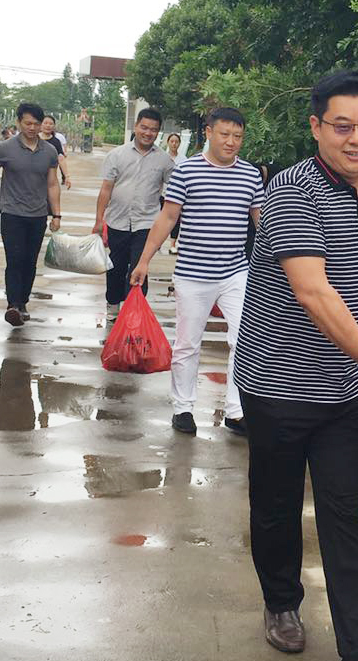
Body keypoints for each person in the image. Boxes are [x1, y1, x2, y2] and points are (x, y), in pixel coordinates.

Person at [231, 70, 358, 661]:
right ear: (316, 127)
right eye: (343, 126)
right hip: (278, 383)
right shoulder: (291, 191)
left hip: (343, 393)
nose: (356, 137)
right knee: (277, 504)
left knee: (346, 513)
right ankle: (282, 601)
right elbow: (313, 290)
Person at [129, 107, 263, 436]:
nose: (231, 142)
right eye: (225, 134)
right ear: (209, 133)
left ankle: (236, 411)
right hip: (192, 275)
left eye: (238, 136)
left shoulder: (250, 175)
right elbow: (167, 218)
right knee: (188, 344)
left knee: (244, 340)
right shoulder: (187, 172)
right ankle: (183, 408)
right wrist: (144, 261)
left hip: (235, 273)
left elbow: (262, 222)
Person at [0, 102, 62, 327]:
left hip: (38, 215)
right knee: (15, 259)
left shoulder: (49, 151)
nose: (32, 128)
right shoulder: (5, 148)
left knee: (30, 261)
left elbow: (52, 184)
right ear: (19, 122)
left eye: (36, 124)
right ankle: (13, 305)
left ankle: (23, 302)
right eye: (27, 123)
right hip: (12, 213)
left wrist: (56, 214)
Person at [93, 108, 174, 321]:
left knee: (140, 266)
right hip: (118, 221)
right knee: (116, 267)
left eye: (153, 130)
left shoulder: (164, 161)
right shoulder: (116, 155)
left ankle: (134, 312)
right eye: (144, 127)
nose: (148, 133)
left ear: (158, 132)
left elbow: (175, 189)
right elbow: (106, 189)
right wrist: (99, 220)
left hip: (147, 224)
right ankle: (113, 304)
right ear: (136, 126)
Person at [163, 133, 186, 254]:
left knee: (175, 219)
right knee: (160, 218)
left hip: (177, 194)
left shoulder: (183, 160)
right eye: (172, 141)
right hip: (163, 193)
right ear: (168, 142)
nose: (174, 144)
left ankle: (172, 244)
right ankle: (158, 242)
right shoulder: (162, 157)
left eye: (176, 142)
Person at [40, 116, 72, 189]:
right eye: (45, 123)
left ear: (54, 126)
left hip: (49, 178)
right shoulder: (34, 139)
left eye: (51, 124)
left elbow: (61, 159)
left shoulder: (56, 142)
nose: (48, 125)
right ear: (40, 124)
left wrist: (67, 176)